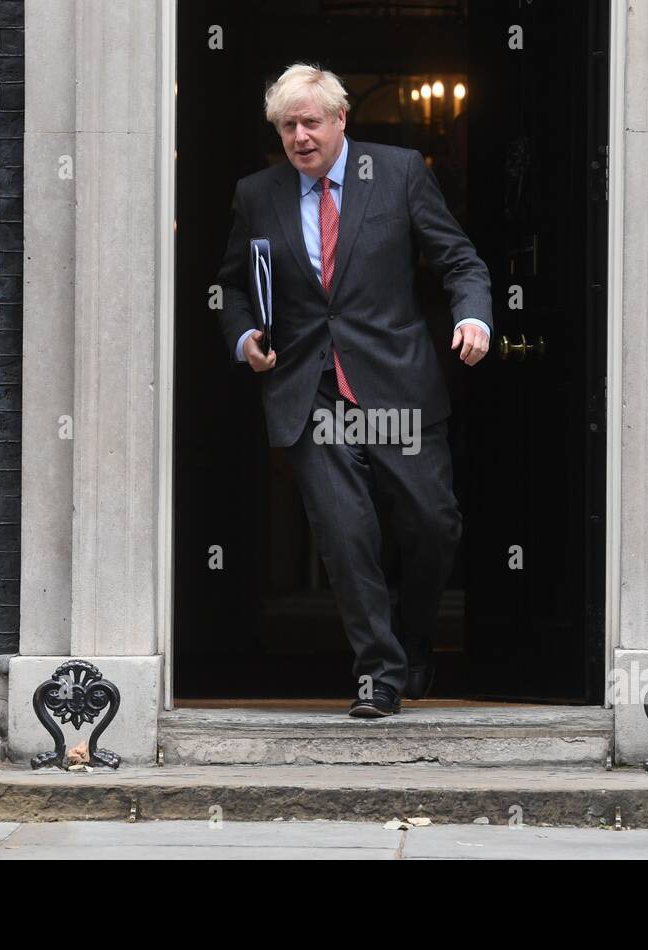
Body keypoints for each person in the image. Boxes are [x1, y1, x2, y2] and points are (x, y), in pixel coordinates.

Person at [215, 63, 493, 717]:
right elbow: (230, 283)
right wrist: (242, 337)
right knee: (345, 532)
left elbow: (458, 258)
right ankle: (379, 674)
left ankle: (415, 635)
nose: (300, 136)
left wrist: (474, 315)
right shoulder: (259, 193)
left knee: (434, 522)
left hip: (397, 385)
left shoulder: (397, 172)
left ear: (342, 119)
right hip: (311, 389)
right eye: (288, 126)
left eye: (311, 121)